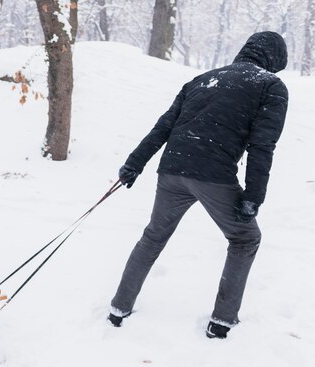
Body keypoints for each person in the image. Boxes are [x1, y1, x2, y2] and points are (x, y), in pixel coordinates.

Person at [107, 31, 289, 339]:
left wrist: (134, 164)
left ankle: (118, 309)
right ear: (273, 60)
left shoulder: (201, 80)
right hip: (213, 174)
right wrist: (253, 197)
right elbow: (262, 145)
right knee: (245, 238)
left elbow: (163, 126)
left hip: (172, 168)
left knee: (153, 237)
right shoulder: (270, 86)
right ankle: (222, 321)